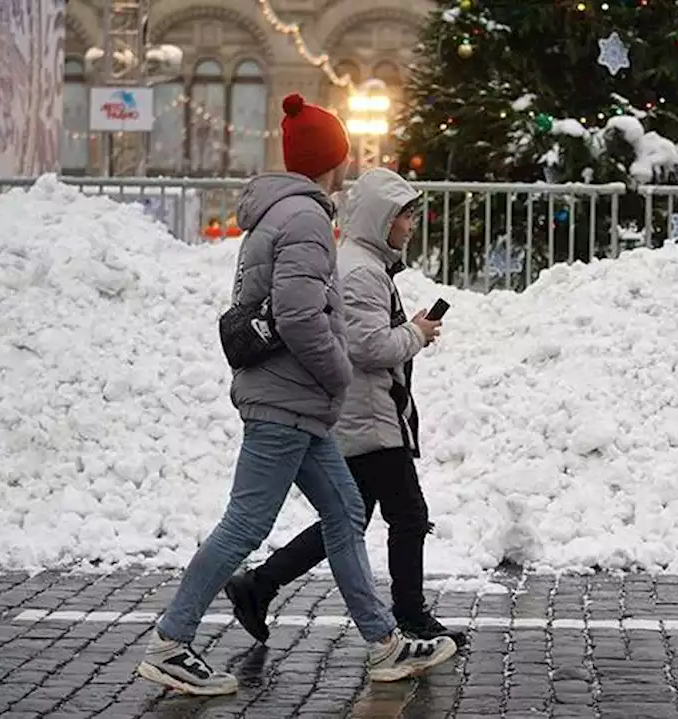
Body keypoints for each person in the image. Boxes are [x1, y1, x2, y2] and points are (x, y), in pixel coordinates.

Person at [135, 94, 456, 696]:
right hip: (288, 401)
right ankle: (170, 641)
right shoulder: (305, 218)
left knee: (344, 513)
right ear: (331, 160)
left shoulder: (277, 214)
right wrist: (337, 374)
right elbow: (302, 316)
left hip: (295, 405)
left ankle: (384, 644)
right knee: (246, 525)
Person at [222, 168, 466, 648]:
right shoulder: (361, 270)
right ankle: (411, 617)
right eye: (404, 216)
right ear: (381, 218)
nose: (411, 225)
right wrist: (416, 333)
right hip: (368, 418)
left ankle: (258, 585)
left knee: (348, 519)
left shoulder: (363, 264)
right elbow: (366, 346)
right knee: (409, 516)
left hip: (366, 415)